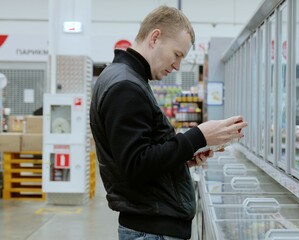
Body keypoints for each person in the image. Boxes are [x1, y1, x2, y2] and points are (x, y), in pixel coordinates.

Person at [89, 5, 247, 240]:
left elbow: (143, 156)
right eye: (177, 54)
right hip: (151, 231)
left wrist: (183, 157)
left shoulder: (127, 79)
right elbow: (135, 166)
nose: (177, 66)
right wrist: (197, 137)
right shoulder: (126, 87)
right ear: (155, 37)